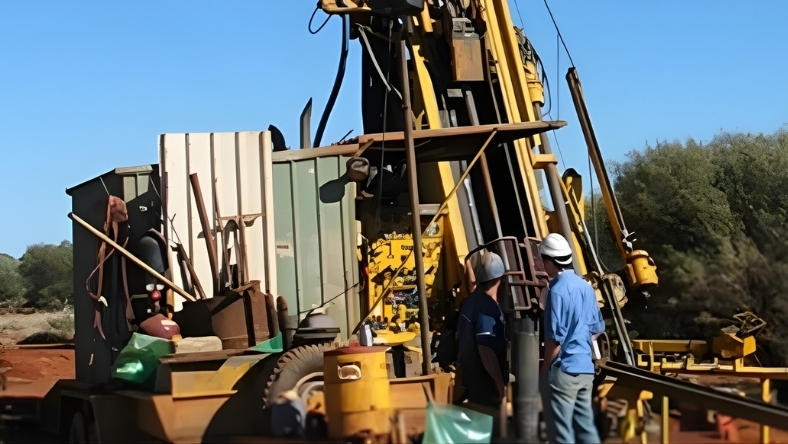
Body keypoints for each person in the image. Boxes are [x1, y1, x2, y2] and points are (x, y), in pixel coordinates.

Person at [539, 233, 605, 443]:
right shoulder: (586, 287)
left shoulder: (556, 291)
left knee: (562, 434)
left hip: (564, 372)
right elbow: (597, 328)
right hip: (585, 370)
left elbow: (554, 342)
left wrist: (543, 371)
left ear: (550, 261)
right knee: (586, 429)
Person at [457, 250, 508, 409]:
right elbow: (485, 348)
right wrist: (498, 381)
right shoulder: (487, 308)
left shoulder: (471, 301)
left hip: (470, 376)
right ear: (501, 278)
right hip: (485, 380)